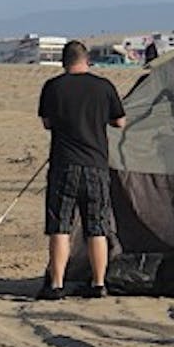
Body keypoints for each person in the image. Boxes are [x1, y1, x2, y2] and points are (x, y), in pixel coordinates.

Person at [37, 40, 126, 299]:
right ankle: (99, 283)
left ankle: (56, 284)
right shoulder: (103, 87)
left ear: (64, 62)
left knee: (60, 227)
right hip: (95, 166)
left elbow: (47, 123)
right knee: (96, 227)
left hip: (63, 165)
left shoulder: (53, 87)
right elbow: (120, 122)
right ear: (86, 60)